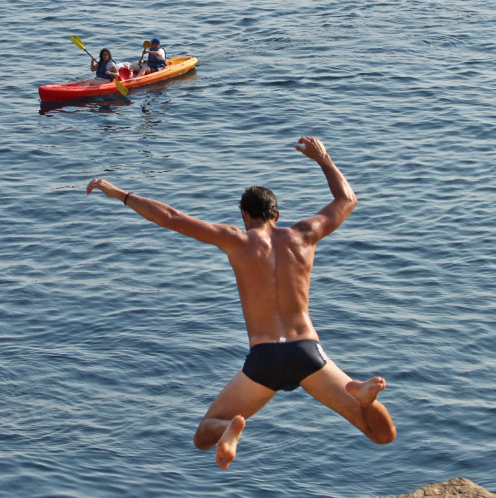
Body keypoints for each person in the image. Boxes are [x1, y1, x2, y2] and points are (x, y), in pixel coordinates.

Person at [86, 136, 396, 470]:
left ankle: (226, 432)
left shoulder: (237, 240)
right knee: (381, 434)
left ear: (245, 215)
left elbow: (171, 217)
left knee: (203, 434)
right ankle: (363, 396)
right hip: (307, 352)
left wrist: (121, 193)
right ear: (277, 214)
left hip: (264, 357)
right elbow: (347, 199)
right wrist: (323, 158)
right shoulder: (304, 235)